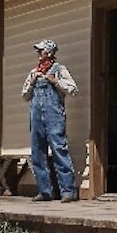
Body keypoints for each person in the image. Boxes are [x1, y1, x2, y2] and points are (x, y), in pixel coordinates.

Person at [22, 39, 78, 202]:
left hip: (54, 115)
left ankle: (68, 191)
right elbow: (25, 96)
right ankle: (45, 191)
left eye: (41, 51)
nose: (38, 54)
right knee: (37, 152)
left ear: (50, 53)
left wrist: (56, 81)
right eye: (38, 51)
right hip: (36, 116)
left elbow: (73, 90)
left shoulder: (59, 70)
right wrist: (32, 83)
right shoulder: (34, 72)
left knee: (59, 149)